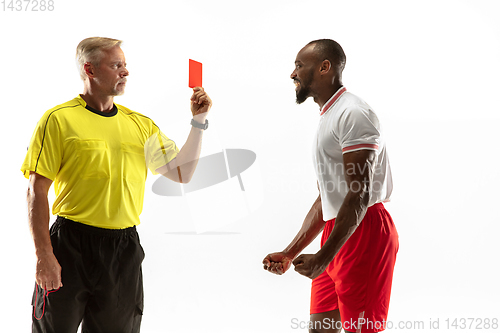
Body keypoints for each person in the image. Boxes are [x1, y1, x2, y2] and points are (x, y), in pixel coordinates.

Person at [22, 37, 212, 333]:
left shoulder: (140, 124)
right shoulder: (58, 120)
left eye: (125, 65)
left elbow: (182, 173)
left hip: (122, 250)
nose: (125, 72)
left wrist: (198, 122)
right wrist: (43, 256)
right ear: (90, 69)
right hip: (70, 245)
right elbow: (37, 191)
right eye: (117, 65)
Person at [263, 39, 398, 333]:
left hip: (364, 229)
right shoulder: (330, 115)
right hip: (337, 229)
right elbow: (328, 196)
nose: (293, 74)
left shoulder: (354, 114)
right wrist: (290, 252)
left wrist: (324, 257)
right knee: (320, 328)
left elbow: (359, 195)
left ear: (325, 67)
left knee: (362, 329)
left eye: (299, 65)